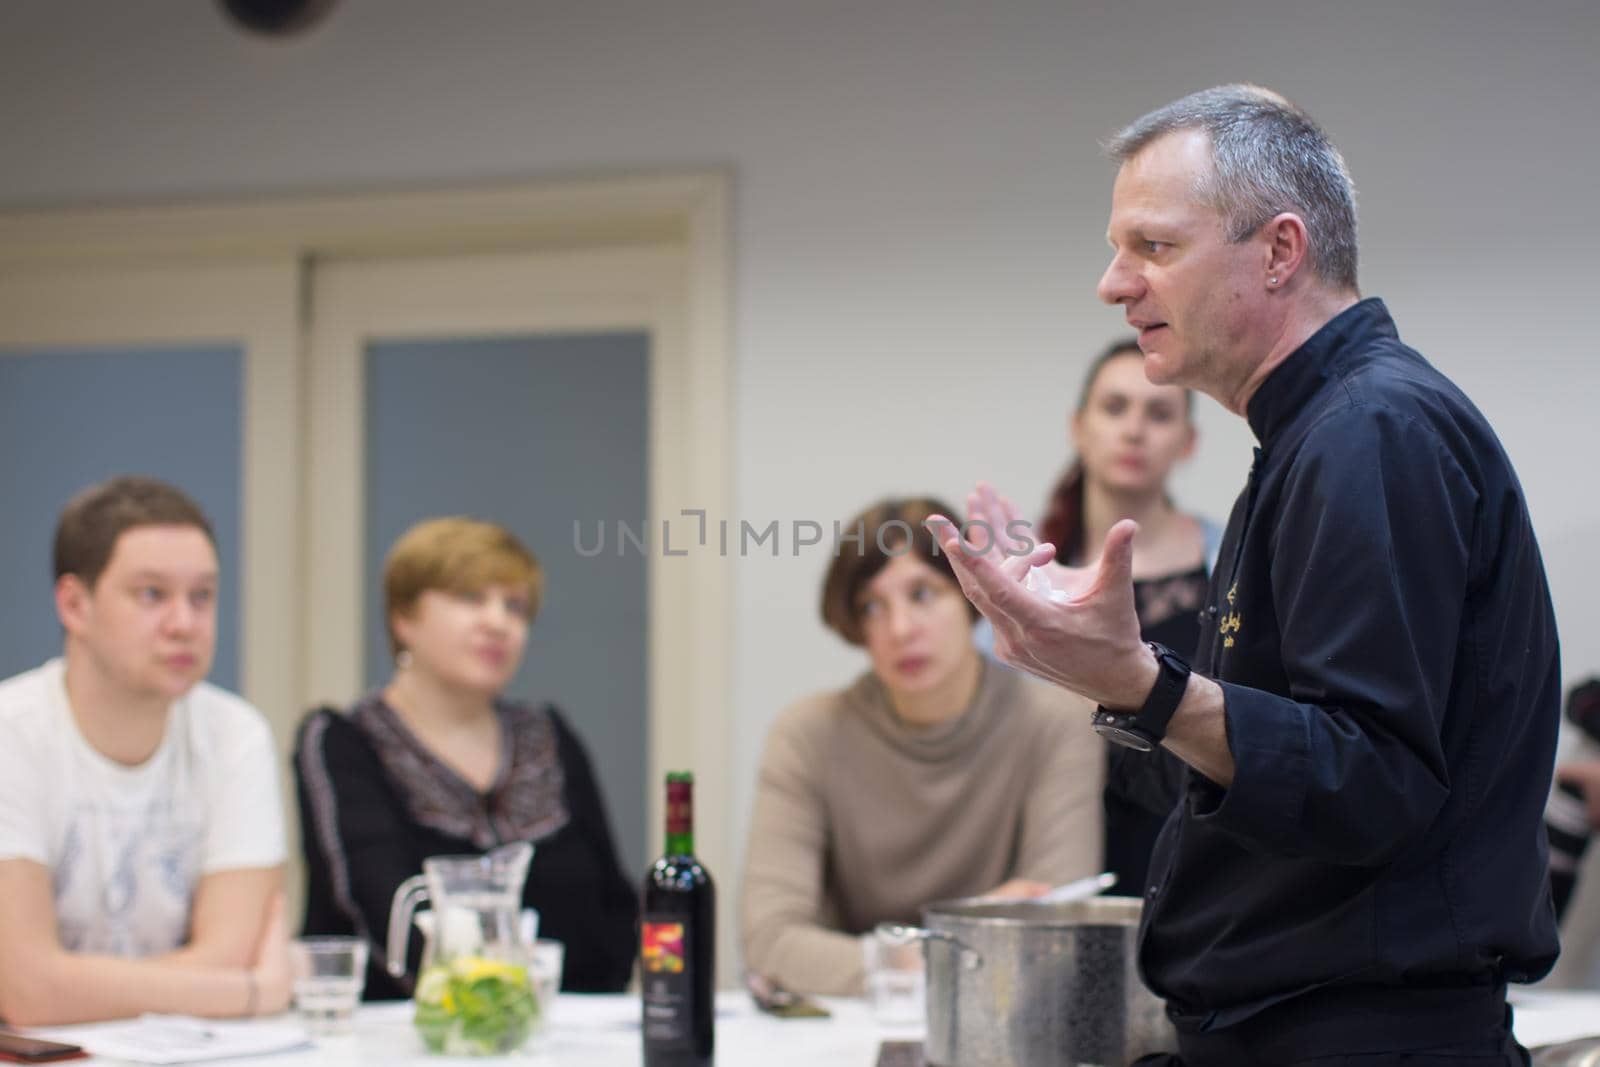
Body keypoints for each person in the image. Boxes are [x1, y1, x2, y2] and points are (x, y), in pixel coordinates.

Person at [934, 85, 1558, 1064]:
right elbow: (1254, 780)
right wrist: (1099, 673)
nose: (1113, 282)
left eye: (1153, 246)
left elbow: (1368, 781)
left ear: (1278, 250)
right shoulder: (1315, 435)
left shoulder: (1368, 434)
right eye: (1116, 247)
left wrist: (1141, 681)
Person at [740, 496, 1104, 997]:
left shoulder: (1054, 722)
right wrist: (952, 944)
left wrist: (879, 959)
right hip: (862, 1025)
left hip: (1009, 1014)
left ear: (971, 597)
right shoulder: (808, 734)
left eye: (923, 594)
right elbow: (769, 938)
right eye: (873, 606)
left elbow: (1060, 919)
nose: (901, 630)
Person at [295, 517, 636, 999]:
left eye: (515, 607)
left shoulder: (548, 735)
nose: (498, 623)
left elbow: (615, 909)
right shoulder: (343, 741)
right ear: (404, 618)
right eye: (471, 598)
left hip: (569, 1033)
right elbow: (378, 909)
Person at [0, 476, 289, 1025]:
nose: (184, 625)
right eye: (152, 595)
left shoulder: (236, 734)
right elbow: (26, 991)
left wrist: (69, 986)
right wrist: (252, 992)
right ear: (75, 605)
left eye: (202, 596)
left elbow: (231, 953)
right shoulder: (11, 734)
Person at [978, 338, 1219, 896]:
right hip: (1060, 871)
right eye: (1114, 408)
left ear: (1188, 442)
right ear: (1077, 426)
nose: (1134, 429)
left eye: (1158, 413)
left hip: (1202, 861)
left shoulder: (1232, 560)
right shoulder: (1024, 576)